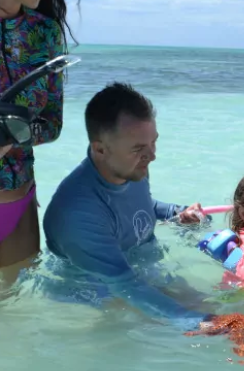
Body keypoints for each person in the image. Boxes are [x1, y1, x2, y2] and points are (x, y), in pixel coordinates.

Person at [42, 82, 213, 331]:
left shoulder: (131, 167)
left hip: (141, 274)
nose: (152, 156)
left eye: (153, 142)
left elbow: (137, 205)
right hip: (94, 295)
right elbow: (124, 284)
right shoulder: (77, 215)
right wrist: (196, 322)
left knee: (228, 304)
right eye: (139, 148)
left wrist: (175, 213)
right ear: (100, 149)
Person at [0, 0, 87, 276]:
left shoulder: (44, 33)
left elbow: (51, 124)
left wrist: (11, 135)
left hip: (16, 203)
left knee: (15, 318)